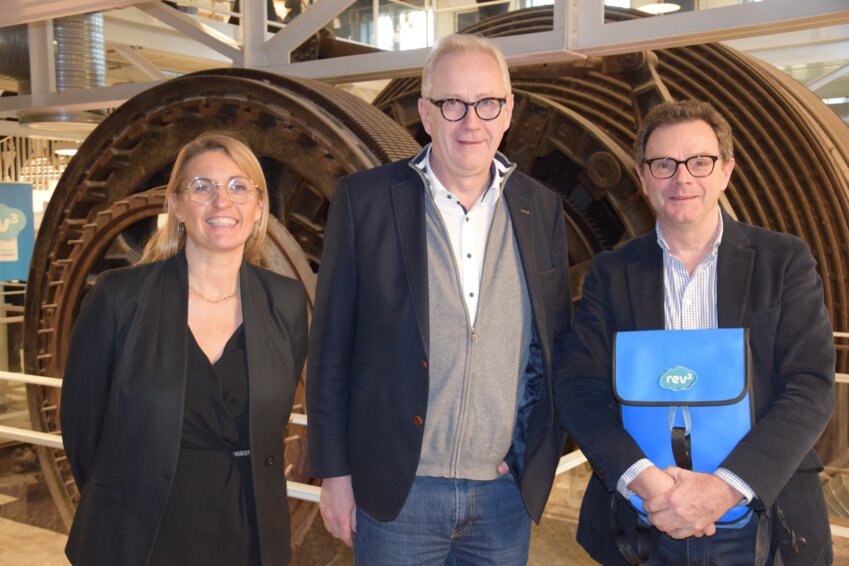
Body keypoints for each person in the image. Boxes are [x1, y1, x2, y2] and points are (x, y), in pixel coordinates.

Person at [306, 33, 572, 564]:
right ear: (426, 114)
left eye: (487, 103)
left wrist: (531, 452)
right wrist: (334, 474)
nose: (470, 121)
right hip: (399, 494)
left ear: (508, 111)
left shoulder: (539, 208)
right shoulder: (369, 201)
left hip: (501, 497)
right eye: (452, 103)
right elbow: (331, 348)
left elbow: (552, 342)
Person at [557, 100, 835, 565]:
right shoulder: (611, 273)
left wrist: (724, 490)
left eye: (699, 162)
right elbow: (578, 387)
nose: (681, 178)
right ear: (643, 178)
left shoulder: (783, 262)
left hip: (764, 528)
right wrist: (646, 482)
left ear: (726, 170)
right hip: (643, 526)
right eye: (663, 164)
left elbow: (809, 387)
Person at [60, 132, 308, 566]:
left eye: (238, 187)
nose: (221, 202)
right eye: (202, 187)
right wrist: (119, 499)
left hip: (245, 532)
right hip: (139, 536)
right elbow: (81, 430)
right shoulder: (120, 299)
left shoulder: (284, 302)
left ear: (259, 207)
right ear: (175, 205)